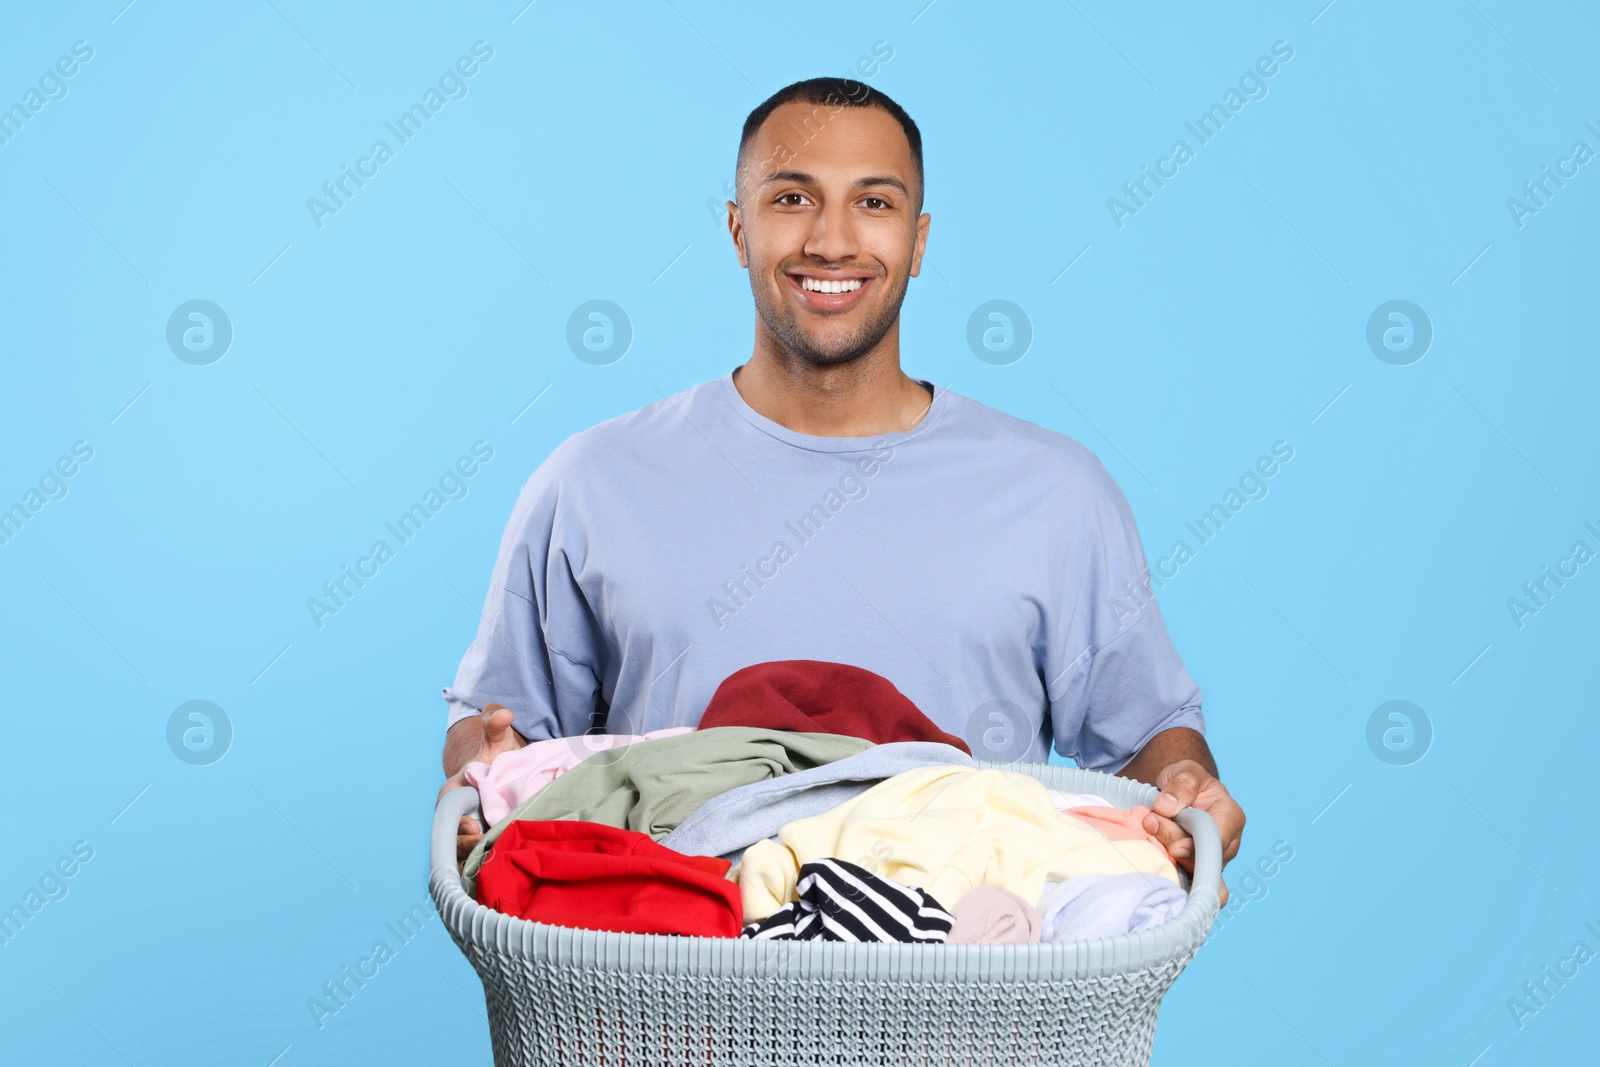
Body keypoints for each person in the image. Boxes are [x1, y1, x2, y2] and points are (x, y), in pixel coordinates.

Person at [439, 77, 1245, 901]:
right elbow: (509, 750)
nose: (832, 240)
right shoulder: (591, 482)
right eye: (792, 197)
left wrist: (1185, 786)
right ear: (736, 228)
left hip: (968, 1002)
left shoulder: (1057, 493)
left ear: (920, 240)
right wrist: (479, 770)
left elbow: (1150, 738)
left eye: (874, 203)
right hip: (663, 988)